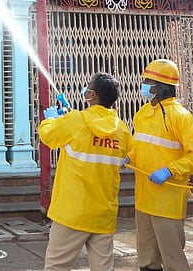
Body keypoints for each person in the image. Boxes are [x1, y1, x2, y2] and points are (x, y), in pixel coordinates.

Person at [39, 73, 133, 270]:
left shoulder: (76, 121)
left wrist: (51, 120)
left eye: (88, 88)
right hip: (103, 213)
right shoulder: (123, 131)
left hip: (72, 213)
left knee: (57, 266)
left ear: (91, 95)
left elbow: (48, 136)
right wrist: (71, 119)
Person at [129, 58, 193, 271]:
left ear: (159, 87)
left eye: (147, 81)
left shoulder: (180, 116)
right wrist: (128, 156)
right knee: (146, 258)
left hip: (166, 199)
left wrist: (170, 170)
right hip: (143, 197)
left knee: (172, 256)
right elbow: (138, 145)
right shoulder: (143, 113)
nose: (143, 86)